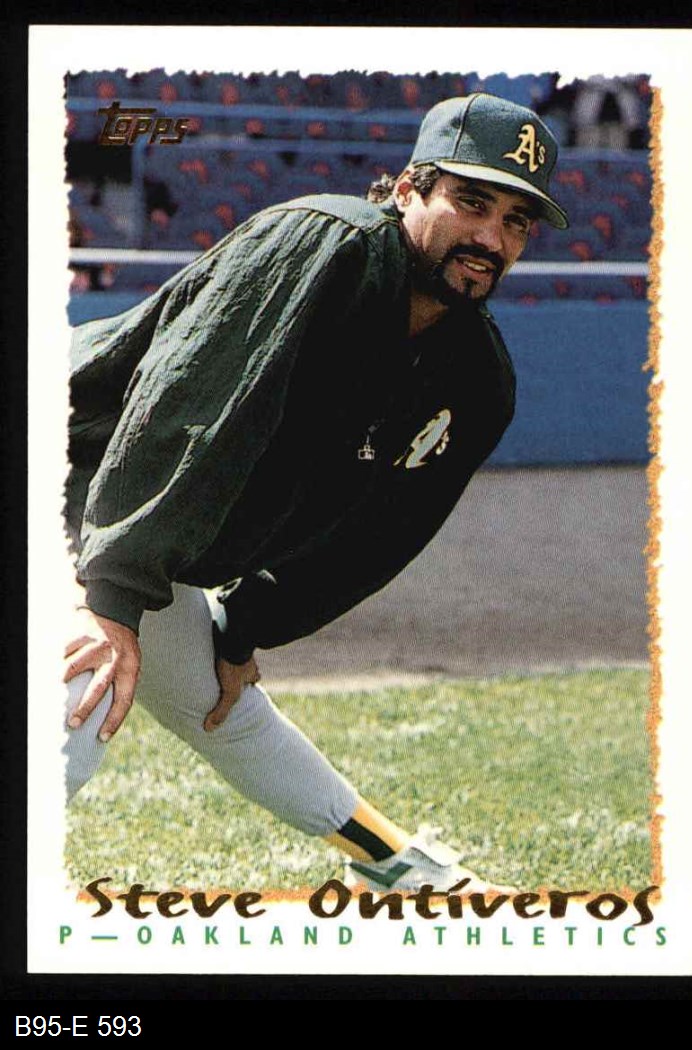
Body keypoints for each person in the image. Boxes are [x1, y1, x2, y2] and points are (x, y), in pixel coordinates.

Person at [63, 92, 569, 893]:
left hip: (118, 512)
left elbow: (376, 536)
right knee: (90, 682)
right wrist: (115, 596)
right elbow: (184, 412)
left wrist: (245, 627)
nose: (491, 238)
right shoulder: (325, 246)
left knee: (213, 698)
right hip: (71, 463)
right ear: (407, 189)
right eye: (471, 203)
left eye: (516, 221)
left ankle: (398, 868)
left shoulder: (476, 376)